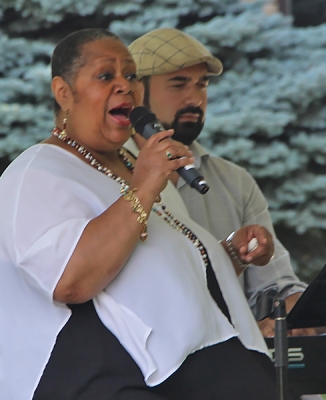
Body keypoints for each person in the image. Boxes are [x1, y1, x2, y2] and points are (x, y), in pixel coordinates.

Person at [0, 28, 290, 400]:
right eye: (106, 76)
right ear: (64, 92)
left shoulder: (134, 166)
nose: (125, 86)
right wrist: (144, 187)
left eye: (132, 75)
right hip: (78, 375)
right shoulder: (37, 173)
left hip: (172, 364)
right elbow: (71, 281)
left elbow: (155, 267)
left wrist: (233, 253)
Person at [126, 28, 309, 337]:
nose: (195, 99)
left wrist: (315, 312)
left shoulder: (235, 181)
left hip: (232, 361)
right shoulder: (107, 173)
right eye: (178, 84)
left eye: (202, 85)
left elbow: (275, 286)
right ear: (137, 95)